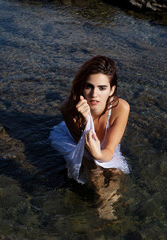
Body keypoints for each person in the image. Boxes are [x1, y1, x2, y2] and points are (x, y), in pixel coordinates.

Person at [50, 55, 130, 220]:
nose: (94, 94)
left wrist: (99, 154)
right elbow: (85, 148)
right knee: (93, 168)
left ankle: (109, 199)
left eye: (102, 88)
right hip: (77, 141)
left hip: (104, 146)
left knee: (115, 171)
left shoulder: (121, 108)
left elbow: (107, 151)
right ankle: (102, 203)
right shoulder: (68, 108)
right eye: (89, 87)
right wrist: (86, 120)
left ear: (112, 89)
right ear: (82, 87)